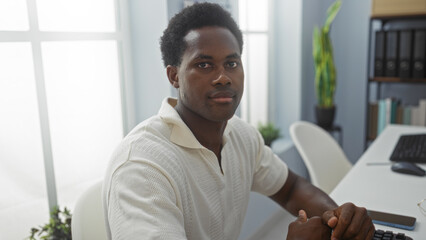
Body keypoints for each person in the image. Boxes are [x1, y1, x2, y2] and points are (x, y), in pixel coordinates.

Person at [103, 2, 374, 240]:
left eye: (231, 63)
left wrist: (337, 220)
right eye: (204, 65)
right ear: (174, 76)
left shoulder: (241, 135)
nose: (224, 77)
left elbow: (290, 188)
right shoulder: (142, 166)